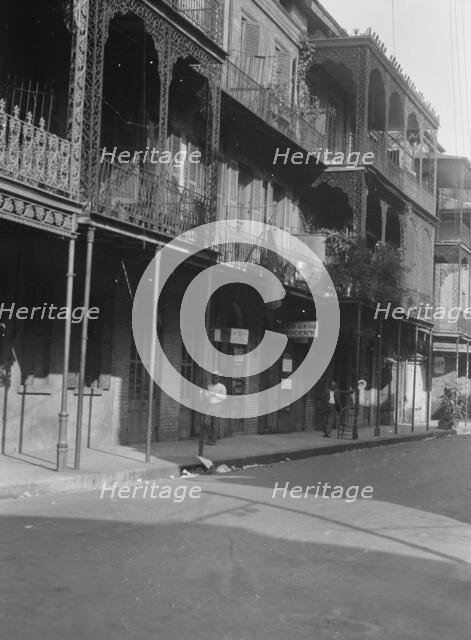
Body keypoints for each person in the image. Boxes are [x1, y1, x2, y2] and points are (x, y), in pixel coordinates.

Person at [205, 372, 227, 445]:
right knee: (206, 422)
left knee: (215, 424)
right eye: (213, 377)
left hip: (217, 406)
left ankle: (213, 440)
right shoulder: (209, 386)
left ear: (218, 378)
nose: (214, 379)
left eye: (216, 377)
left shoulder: (222, 387)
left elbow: (224, 397)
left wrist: (214, 395)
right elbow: (206, 395)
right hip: (209, 406)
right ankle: (209, 437)